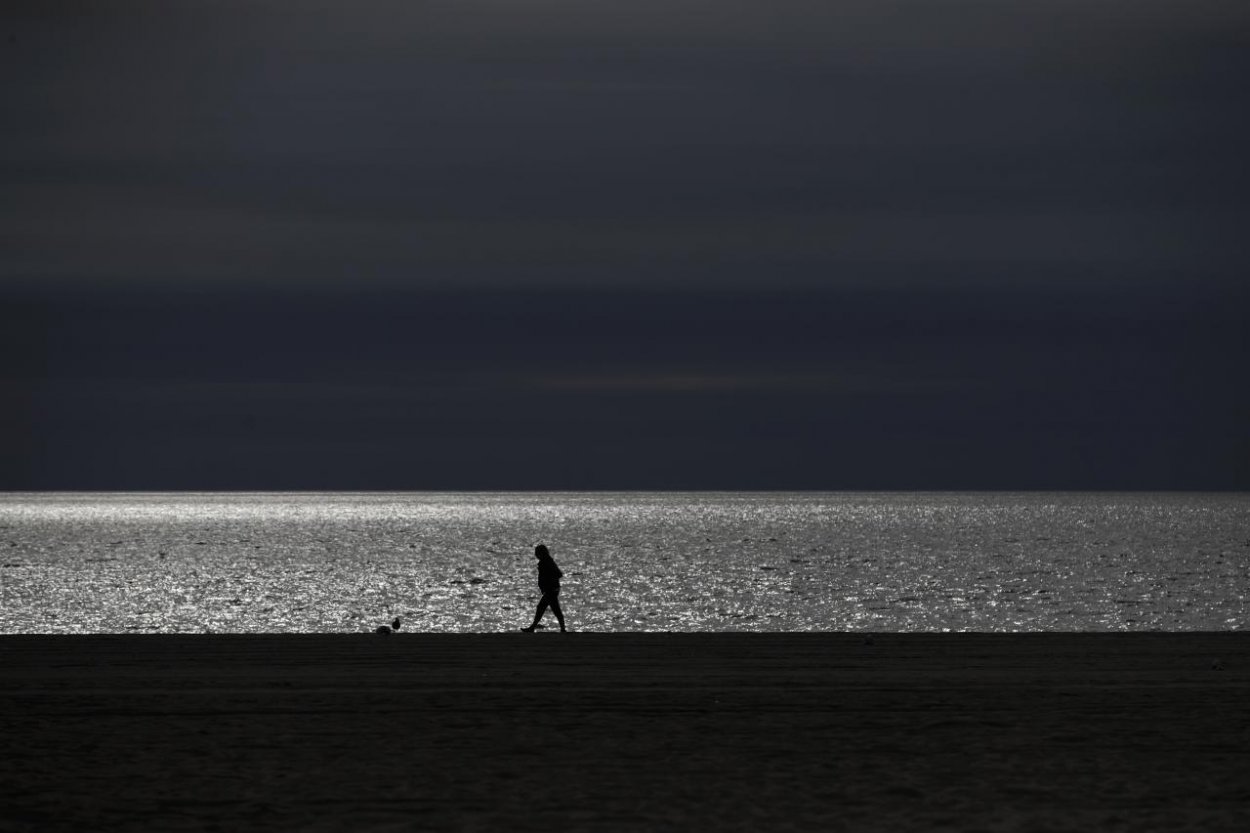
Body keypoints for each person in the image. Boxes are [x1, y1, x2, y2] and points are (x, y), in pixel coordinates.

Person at [520, 544, 567, 632]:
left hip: (551, 590)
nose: (536, 555)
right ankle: (533, 627)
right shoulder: (545, 562)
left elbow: (558, 574)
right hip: (550, 589)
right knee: (543, 607)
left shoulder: (547, 562)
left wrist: (549, 582)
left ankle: (562, 629)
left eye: (537, 553)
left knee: (552, 608)